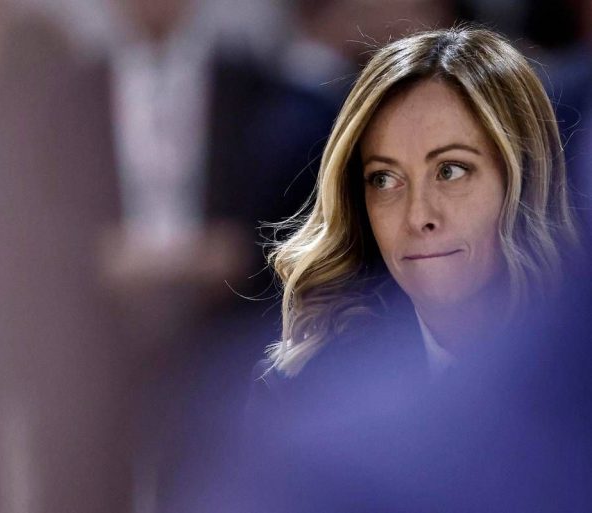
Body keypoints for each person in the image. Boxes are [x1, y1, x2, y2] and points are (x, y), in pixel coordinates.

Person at [240, 26, 592, 513]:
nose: (417, 216)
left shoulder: (576, 378)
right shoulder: (301, 390)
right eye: (384, 179)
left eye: (450, 170)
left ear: (526, 179)